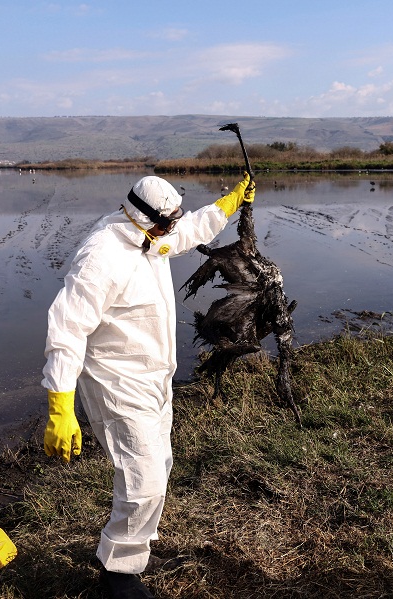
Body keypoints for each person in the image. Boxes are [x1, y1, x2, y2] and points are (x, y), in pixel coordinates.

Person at [41, 173, 254, 599]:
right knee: (144, 480)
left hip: (155, 377)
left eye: (174, 219)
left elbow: (184, 234)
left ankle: (133, 549)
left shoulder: (150, 235)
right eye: (166, 222)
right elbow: (67, 329)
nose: (172, 228)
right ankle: (117, 572)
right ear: (143, 217)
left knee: (160, 466)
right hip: (116, 383)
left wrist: (228, 205)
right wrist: (60, 405)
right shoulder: (101, 256)